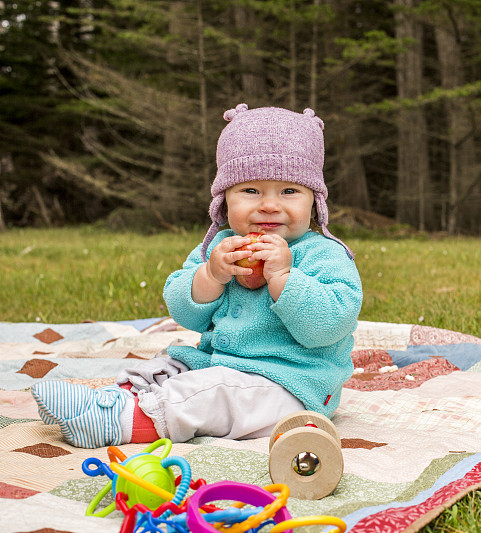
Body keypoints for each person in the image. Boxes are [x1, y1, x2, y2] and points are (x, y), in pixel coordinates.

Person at [31, 104, 363, 448]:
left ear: (315, 202)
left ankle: (123, 421)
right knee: (170, 363)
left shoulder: (322, 254)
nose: (269, 205)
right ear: (223, 201)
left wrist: (283, 276)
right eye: (250, 191)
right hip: (219, 364)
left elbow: (330, 325)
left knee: (214, 394)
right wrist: (211, 275)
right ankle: (122, 397)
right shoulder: (220, 247)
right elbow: (184, 312)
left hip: (292, 387)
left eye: (289, 191)